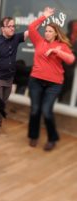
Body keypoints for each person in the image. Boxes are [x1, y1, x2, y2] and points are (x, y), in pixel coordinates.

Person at [28, 7, 75, 151]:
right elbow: (31, 27)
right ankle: (33, 135)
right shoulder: (39, 41)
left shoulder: (62, 46)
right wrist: (44, 16)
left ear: (56, 33)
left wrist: (56, 51)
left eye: (50, 31)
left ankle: (52, 138)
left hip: (54, 84)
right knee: (35, 110)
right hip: (36, 80)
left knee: (46, 111)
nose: (47, 33)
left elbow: (71, 59)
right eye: (46, 30)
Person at [0, 16, 29, 135]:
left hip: (9, 78)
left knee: (2, 104)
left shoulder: (16, 38)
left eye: (14, 26)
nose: (12, 29)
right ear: (3, 28)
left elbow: (31, 31)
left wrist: (44, 17)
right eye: (10, 26)